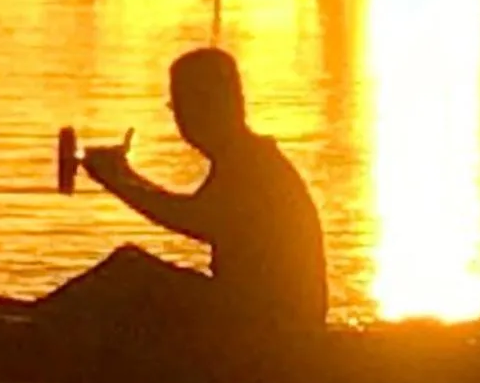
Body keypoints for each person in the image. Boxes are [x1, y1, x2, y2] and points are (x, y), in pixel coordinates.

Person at [39, 48, 327, 364]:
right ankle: (45, 319)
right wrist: (125, 176)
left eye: (180, 107)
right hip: (259, 315)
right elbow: (196, 211)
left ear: (209, 106)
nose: (181, 121)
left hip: (271, 327)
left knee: (130, 270)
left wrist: (118, 182)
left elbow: (192, 218)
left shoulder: (251, 165)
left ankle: (37, 329)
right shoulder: (244, 157)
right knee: (131, 277)